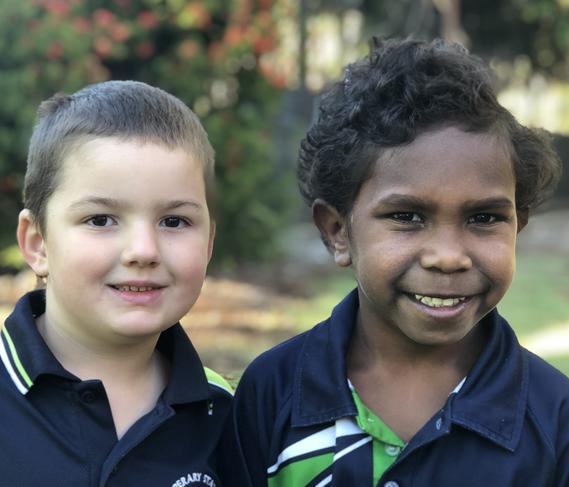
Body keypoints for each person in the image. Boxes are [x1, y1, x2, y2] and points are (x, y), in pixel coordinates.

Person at [222, 38, 568, 486]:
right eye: (407, 217)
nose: (448, 257)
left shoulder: (554, 416)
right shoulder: (273, 392)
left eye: (484, 218)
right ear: (338, 231)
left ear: (517, 226)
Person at [0, 80, 233, 486]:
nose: (143, 250)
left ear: (209, 243)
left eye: (174, 221)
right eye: (100, 220)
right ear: (38, 244)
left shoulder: (221, 410)